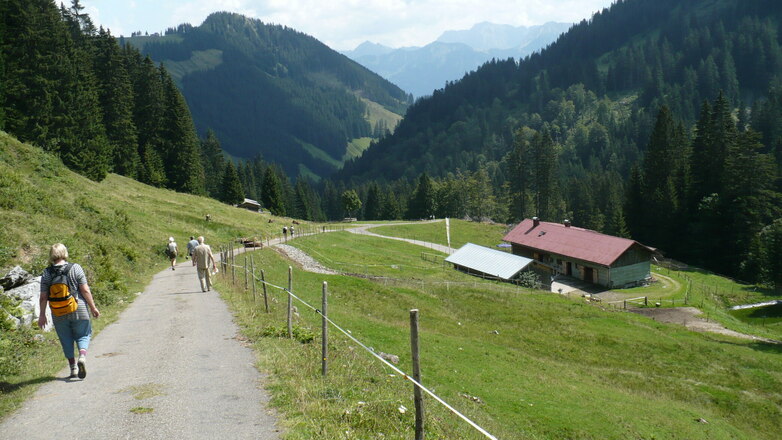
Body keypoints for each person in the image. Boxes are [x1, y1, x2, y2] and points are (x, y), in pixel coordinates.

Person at [38, 243, 100, 379]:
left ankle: (73, 369)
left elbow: (43, 296)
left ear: (51, 255)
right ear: (65, 253)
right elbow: (84, 290)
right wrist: (93, 307)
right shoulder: (75, 268)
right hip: (79, 308)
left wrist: (42, 315)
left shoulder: (47, 273)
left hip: (58, 312)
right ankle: (82, 357)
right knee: (83, 334)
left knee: (66, 338)